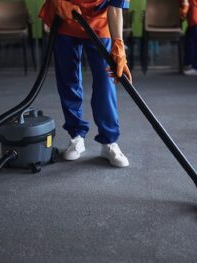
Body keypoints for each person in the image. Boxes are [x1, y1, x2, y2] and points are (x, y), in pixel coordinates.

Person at [39, 0, 132, 167]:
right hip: (65, 17)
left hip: (99, 21)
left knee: (106, 82)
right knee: (68, 80)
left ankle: (109, 141)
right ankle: (76, 136)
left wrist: (118, 44)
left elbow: (116, 7)